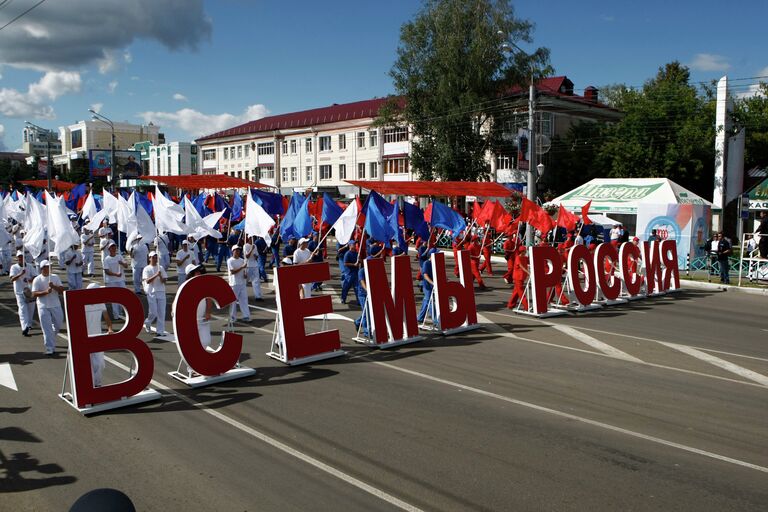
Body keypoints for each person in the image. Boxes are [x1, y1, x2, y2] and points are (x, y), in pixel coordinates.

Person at [174, 263, 213, 377]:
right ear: (190, 274)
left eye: (198, 271)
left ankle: (201, 364)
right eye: (195, 272)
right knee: (191, 346)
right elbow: (176, 302)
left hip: (203, 319)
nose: (198, 273)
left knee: (206, 341)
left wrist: (208, 312)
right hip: (190, 321)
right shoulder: (184, 287)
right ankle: (191, 368)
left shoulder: (203, 284)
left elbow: (209, 298)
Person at [31, 260, 65, 356]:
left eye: (50, 266)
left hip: (55, 304)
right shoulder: (37, 279)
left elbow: (62, 290)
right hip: (43, 306)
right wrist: (45, 292)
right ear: (42, 268)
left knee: (58, 324)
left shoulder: (55, 277)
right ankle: (49, 347)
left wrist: (53, 286)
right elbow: (34, 293)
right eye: (47, 266)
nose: (49, 268)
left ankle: (51, 338)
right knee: (46, 328)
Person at [84, 283, 113, 387]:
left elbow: (107, 319)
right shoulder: (82, 304)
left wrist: (110, 329)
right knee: (88, 365)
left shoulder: (101, 303)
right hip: (85, 338)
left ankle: (97, 384)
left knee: (100, 364)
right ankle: (92, 387)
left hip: (98, 337)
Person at [9, 251, 36, 337]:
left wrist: (31, 279)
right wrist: (21, 274)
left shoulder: (30, 266)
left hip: (29, 291)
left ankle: (29, 324)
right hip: (19, 292)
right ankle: (25, 328)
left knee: (31, 309)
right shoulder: (14, 267)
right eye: (19, 257)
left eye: (22, 257)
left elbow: (35, 276)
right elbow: (12, 279)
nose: (20, 258)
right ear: (17, 258)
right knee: (23, 309)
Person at [142, 251, 168, 336]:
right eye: (153, 257)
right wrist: (156, 274)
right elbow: (148, 281)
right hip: (151, 292)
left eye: (156, 257)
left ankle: (160, 331)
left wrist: (160, 275)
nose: (155, 259)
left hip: (161, 291)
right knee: (153, 312)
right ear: (149, 258)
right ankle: (147, 322)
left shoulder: (160, 267)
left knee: (161, 312)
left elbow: (164, 281)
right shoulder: (146, 269)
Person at [103, 242, 129, 319]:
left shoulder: (119, 257)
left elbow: (126, 266)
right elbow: (106, 271)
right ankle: (116, 315)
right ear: (109, 249)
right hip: (111, 281)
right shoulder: (106, 259)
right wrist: (115, 274)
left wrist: (122, 263)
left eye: (114, 247)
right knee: (114, 298)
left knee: (123, 297)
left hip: (120, 280)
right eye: (112, 247)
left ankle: (121, 311)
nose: (114, 248)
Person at [227, 245, 251, 323]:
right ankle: (232, 317)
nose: (237, 251)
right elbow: (232, 272)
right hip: (234, 284)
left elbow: (244, 272)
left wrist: (245, 274)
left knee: (244, 300)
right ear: (232, 251)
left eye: (238, 250)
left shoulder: (242, 260)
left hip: (242, 283)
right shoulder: (230, 261)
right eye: (236, 250)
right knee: (233, 301)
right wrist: (242, 267)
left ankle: (246, 316)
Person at [417, 248, 437, 323]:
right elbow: (425, 275)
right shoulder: (427, 263)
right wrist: (433, 283)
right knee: (431, 302)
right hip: (427, 286)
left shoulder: (435, 263)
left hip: (432, 286)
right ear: (431, 255)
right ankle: (436, 321)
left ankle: (420, 318)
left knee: (426, 301)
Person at [507, 245, 529, 310]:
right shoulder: (518, 258)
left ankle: (510, 305)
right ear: (522, 252)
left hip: (522, 277)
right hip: (517, 277)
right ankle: (526, 306)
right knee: (521, 292)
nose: (526, 251)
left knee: (516, 291)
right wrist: (528, 272)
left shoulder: (525, 257)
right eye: (525, 251)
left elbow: (530, 262)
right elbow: (521, 266)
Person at [243, 236, 263, 301]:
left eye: (253, 238)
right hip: (247, 265)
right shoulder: (245, 246)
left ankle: (258, 296)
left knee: (256, 281)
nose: (253, 240)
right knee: (245, 281)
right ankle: (241, 295)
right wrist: (251, 249)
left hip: (255, 265)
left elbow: (256, 256)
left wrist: (255, 256)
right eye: (251, 238)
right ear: (248, 239)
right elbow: (247, 256)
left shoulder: (255, 246)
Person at [340, 240, 359, 305]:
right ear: (350, 245)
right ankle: (343, 298)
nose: (355, 245)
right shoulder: (347, 254)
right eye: (353, 244)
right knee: (346, 287)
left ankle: (359, 301)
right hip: (349, 274)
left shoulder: (357, 253)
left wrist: (360, 261)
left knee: (357, 288)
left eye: (355, 244)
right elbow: (345, 263)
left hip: (356, 273)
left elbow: (359, 261)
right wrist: (354, 265)